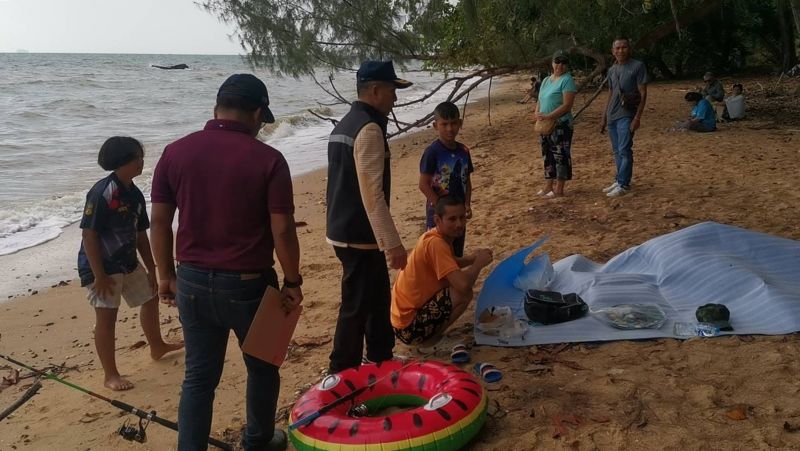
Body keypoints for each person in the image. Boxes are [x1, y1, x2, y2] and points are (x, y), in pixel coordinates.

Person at [150, 74, 302, 451]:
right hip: (249, 284)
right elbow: (282, 230)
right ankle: (258, 441)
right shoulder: (269, 159)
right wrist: (293, 280)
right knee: (263, 368)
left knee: (199, 378)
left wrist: (164, 277)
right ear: (255, 113)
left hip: (192, 281)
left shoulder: (175, 152)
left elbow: (159, 222)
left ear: (217, 107)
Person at [325, 60, 412, 374]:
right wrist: (394, 245)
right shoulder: (369, 129)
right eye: (392, 91)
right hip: (359, 234)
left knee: (377, 296)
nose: (395, 99)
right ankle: (340, 372)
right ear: (375, 90)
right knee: (356, 307)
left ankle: (380, 357)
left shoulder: (345, 124)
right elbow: (372, 195)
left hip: (343, 228)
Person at [77, 137, 183, 392]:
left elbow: (140, 234)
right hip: (100, 266)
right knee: (107, 317)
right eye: (137, 157)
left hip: (127, 261)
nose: (141, 162)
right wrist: (99, 275)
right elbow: (89, 235)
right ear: (121, 161)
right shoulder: (103, 191)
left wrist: (151, 268)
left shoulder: (133, 192)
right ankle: (110, 375)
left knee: (150, 298)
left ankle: (157, 346)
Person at [391, 196, 493, 347]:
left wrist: (472, 259)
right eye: (452, 219)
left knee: (458, 285)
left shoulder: (436, 236)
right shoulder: (436, 243)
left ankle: (430, 335)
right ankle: (430, 341)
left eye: (462, 218)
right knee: (463, 293)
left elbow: (450, 262)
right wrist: (478, 264)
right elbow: (463, 285)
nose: (459, 224)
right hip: (409, 327)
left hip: (401, 320)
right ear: (438, 220)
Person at [419, 101, 474, 257]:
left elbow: (467, 180)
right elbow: (423, 185)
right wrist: (439, 207)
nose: (450, 129)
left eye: (453, 123)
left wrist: (467, 204)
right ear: (436, 125)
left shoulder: (464, 150)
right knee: (438, 252)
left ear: (460, 123)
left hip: (459, 213)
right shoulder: (432, 152)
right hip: (439, 213)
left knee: (456, 251)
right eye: (444, 124)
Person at [600, 37, 648, 198]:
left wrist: (637, 118)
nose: (621, 51)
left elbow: (643, 92)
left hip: (627, 114)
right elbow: (611, 92)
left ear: (629, 48)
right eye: (617, 48)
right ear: (613, 51)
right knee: (616, 150)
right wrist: (605, 115)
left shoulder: (637, 66)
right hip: (612, 114)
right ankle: (619, 179)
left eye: (624, 47)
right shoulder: (612, 70)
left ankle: (624, 184)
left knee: (624, 149)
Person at [534, 50, 577, 198]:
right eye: (557, 61)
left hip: (561, 124)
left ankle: (559, 188)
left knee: (561, 155)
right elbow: (540, 99)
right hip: (545, 125)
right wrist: (537, 113)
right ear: (552, 63)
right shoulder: (546, 80)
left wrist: (549, 116)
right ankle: (548, 185)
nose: (560, 65)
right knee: (547, 155)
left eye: (563, 62)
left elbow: (567, 105)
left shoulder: (567, 80)